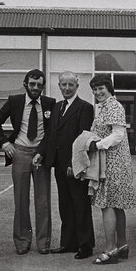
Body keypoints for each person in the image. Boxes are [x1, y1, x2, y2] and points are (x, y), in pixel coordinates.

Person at [0, 69, 55, 255]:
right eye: (32, 84)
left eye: (39, 85)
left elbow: (51, 132)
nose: (36, 88)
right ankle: (22, 240)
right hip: (19, 153)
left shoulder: (50, 103)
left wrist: (42, 152)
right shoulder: (15, 101)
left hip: (40, 156)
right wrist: (4, 143)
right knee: (21, 199)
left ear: (43, 86)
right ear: (25, 83)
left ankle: (44, 242)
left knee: (43, 200)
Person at [87, 74, 136, 264]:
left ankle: (110, 249)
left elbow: (117, 135)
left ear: (109, 89)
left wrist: (97, 145)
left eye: (101, 88)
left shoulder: (114, 106)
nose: (97, 92)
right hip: (113, 161)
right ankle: (122, 245)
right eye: (94, 89)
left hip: (112, 162)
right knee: (116, 205)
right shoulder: (105, 107)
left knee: (107, 204)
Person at [44, 71, 95, 260]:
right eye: (63, 85)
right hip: (59, 165)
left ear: (77, 86)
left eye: (70, 85)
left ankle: (85, 245)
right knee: (65, 204)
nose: (67, 88)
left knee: (80, 205)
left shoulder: (85, 108)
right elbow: (52, 135)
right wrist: (45, 156)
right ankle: (68, 242)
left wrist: (74, 164)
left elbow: (82, 139)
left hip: (75, 165)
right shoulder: (57, 107)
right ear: (59, 86)